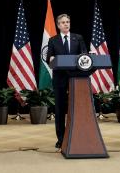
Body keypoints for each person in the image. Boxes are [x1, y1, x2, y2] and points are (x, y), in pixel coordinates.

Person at [46, 14, 87, 149]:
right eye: (63, 22)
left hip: (76, 78)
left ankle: (78, 136)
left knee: (78, 108)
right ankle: (61, 138)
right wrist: (52, 59)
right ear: (58, 25)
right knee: (60, 109)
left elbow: (84, 56)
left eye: (68, 22)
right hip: (60, 79)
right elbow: (49, 58)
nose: (66, 24)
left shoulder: (78, 38)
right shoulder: (53, 40)